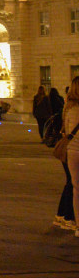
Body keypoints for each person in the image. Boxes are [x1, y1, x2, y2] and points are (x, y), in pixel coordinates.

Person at [62, 75, 79, 238]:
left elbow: (66, 130)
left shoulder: (69, 107)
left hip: (72, 151)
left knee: (76, 188)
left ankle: (78, 226)